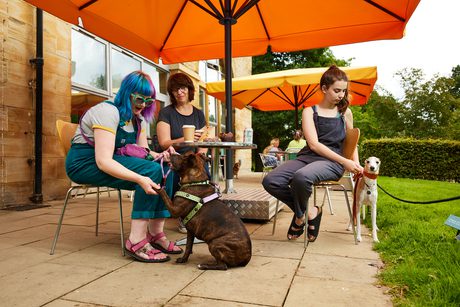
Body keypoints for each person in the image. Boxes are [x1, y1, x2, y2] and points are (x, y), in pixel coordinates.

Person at [66, 71, 182, 263]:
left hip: (112, 158)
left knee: (164, 168)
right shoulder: (107, 112)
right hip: (84, 163)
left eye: (149, 100)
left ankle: (156, 234)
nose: (143, 104)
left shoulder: (139, 119)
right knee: (150, 171)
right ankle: (136, 240)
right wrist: (139, 178)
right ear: (126, 93)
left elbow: (142, 151)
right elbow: (103, 161)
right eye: (139, 98)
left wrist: (162, 156)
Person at [262, 65, 363, 242]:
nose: (341, 95)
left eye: (344, 91)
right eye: (337, 90)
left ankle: (300, 217)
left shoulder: (345, 112)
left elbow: (352, 141)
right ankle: (309, 213)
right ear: (324, 88)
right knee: (271, 180)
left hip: (333, 162)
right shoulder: (309, 111)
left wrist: (355, 164)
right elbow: (314, 145)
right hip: (308, 156)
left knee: (301, 177)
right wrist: (345, 161)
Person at [156, 72, 208, 233]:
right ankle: (183, 214)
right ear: (171, 93)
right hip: (173, 156)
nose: (179, 92)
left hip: (192, 157)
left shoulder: (198, 113)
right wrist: (184, 140)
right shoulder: (166, 113)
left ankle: (199, 213)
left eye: (182, 88)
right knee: (175, 174)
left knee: (204, 173)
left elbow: (204, 141)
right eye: (175, 89)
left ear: (189, 89)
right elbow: (164, 143)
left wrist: (201, 154)